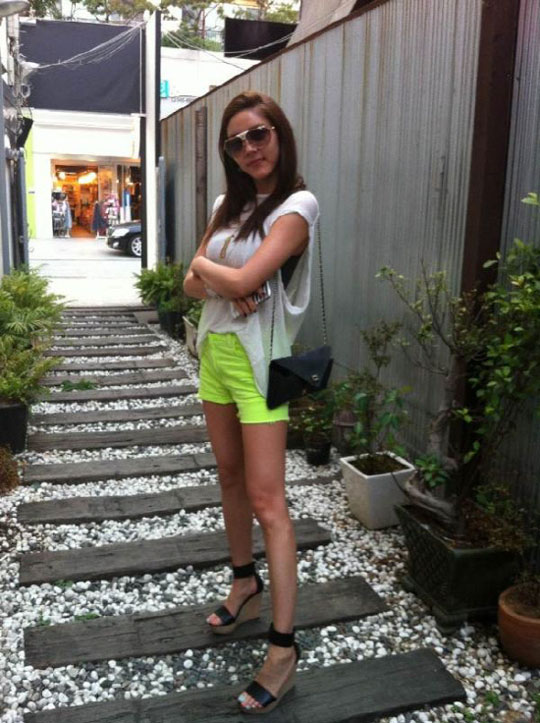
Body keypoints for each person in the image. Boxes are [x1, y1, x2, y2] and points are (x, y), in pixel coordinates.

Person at [183, 90, 319, 714]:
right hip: (215, 353)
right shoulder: (225, 206)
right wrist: (218, 277)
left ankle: (283, 649)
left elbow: (227, 276)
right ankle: (245, 582)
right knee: (229, 476)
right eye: (236, 142)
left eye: (258, 134)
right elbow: (190, 284)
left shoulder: (297, 206)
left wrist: (217, 273)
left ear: (279, 134)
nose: (249, 149)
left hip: (260, 366)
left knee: (270, 502)